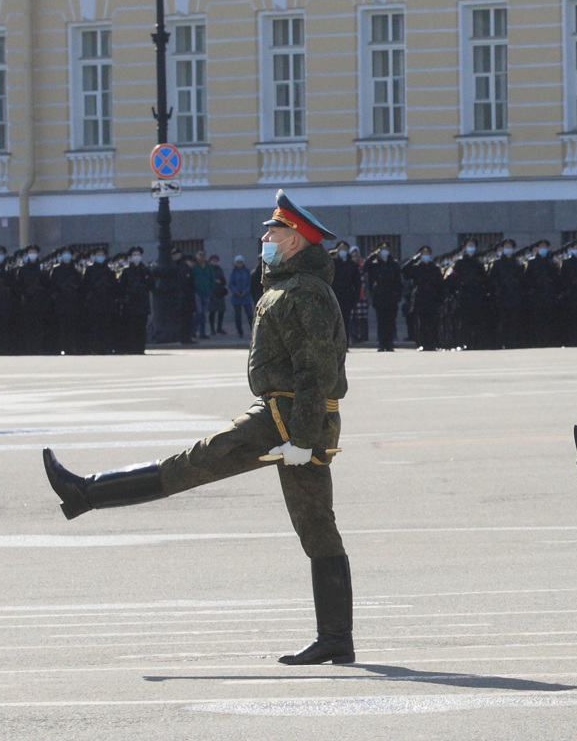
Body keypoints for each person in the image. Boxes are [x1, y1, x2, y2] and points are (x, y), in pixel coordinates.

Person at [42, 190, 355, 665]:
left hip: (286, 418)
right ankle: (337, 638)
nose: (266, 238)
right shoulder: (290, 286)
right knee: (316, 524)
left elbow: (315, 369)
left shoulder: (303, 291)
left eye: (274, 231)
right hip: (293, 417)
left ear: (295, 241)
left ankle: (87, 492)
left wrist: (302, 439)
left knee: (196, 463)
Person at [365, 245, 403, 352]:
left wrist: (398, 295)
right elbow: (365, 267)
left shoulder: (394, 264)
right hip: (379, 296)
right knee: (381, 322)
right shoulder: (375, 264)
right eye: (382, 250)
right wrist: (373, 255)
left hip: (391, 296)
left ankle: (389, 343)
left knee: (390, 321)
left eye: (386, 249)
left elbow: (398, 281)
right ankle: (382, 343)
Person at [228, 256, 254, 337]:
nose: (239, 264)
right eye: (238, 262)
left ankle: (253, 331)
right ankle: (240, 332)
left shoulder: (247, 271)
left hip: (246, 296)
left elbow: (250, 283)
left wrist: (245, 291)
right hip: (236, 297)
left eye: (241, 262)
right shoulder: (233, 272)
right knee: (238, 316)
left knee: (250, 315)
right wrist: (236, 292)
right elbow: (230, 284)